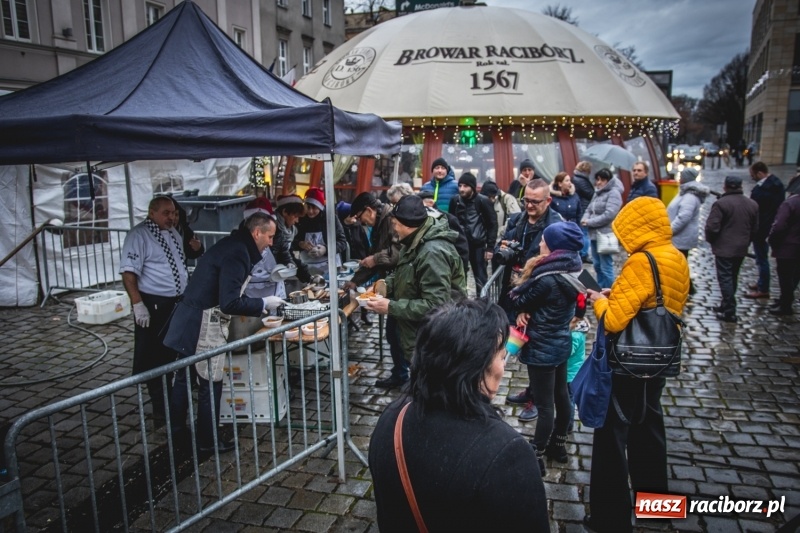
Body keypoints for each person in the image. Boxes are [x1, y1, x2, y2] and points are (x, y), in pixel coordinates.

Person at [369, 298, 550, 532]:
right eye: (501, 356)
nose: (503, 367)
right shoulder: (506, 454)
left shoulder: (392, 418)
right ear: (476, 367)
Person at [584, 197, 689, 533]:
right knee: (649, 433)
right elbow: (656, 301)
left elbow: (615, 321)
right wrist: (618, 291)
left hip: (629, 364)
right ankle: (657, 509)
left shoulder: (642, 261)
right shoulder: (673, 256)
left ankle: (609, 520)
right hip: (659, 360)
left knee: (612, 438)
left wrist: (600, 301)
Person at [164, 213, 285, 452]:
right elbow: (229, 302)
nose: (271, 243)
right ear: (257, 233)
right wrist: (263, 304)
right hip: (203, 323)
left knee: (183, 379)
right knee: (210, 382)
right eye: (269, 237)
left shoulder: (233, 245)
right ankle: (208, 442)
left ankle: (177, 433)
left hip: (189, 316)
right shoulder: (238, 253)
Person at [365, 195, 466, 387]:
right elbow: (404, 272)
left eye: (395, 223)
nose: (393, 228)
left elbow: (436, 305)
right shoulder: (414, 240)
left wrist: (391, 307)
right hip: (418, 332)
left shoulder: (432, 252)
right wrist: (383, 285)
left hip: (434, 336)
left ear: (407, 225)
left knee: (432, 386)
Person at [507, 222, 584, 472]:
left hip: (542, 348)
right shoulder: (572, 271)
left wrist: (522, 309)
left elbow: (519, 298)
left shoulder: (546, 279)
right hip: (561, 343)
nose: (540, 243)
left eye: (544, 241)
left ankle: (537, 453)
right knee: (562, 397)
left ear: (553, 248)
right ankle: (558, 446)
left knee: (544, 405)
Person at [119, 196, 189, 421]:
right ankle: (161, 407)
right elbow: (129, 273)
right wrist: (138, 304)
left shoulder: (173, 233)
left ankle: (173, 399)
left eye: (173, 213)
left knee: (172, 352)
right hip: (154, 303)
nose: (171, 217)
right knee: (154, 355)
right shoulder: (138, 235)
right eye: (166, 213)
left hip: (176, 302)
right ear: (152, 212)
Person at [495, 178, 563, 317]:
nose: (529, 205)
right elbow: (498, 249)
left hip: (539, 294)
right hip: (511, 288)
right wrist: (503, 250)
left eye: (535, 202)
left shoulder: (557, 226)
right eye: (526, 200)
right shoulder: (516, 220)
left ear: (548, 201)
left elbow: (567, 261)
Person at [704, 176, 759, 323]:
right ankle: (725, 305)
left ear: (725, 186)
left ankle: (729, 310)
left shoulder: (721, 204)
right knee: (733, 276)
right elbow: (755, 229)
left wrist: (712, 241)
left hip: (724, 248)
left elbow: (711, 227)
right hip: (741, 247)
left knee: (725, 278)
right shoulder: (752, 204)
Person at [448, 172, 497, 296]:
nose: (462, 189)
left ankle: (483, 304)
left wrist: (490, 247)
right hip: (460, 245)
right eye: (460, 186)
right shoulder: (455, 200)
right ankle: (460, 305)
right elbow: (451, 221)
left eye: (465, 186)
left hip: (478, 245)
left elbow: (492, 224)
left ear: (473, 187)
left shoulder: (483, 201)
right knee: (458, 276)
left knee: (480, 277)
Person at [666, 167, 710, 295]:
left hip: (681, 237)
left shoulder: (689, 196)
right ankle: (686, 287)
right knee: (680, 263)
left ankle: (685, 288)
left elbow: (683, 217)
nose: (679, 178)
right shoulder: (685, 193)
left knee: (679, 264)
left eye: (681, 176)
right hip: (679, 236)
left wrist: (669, 231)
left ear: (686, 178)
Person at [745, 162, 786, 299]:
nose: (753, 178)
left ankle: (763, 288)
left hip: (762, 228)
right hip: (767, 226)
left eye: (753, 176)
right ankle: (761, 282)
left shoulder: (765, 189)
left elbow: (757, 208)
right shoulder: (776, 184)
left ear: (760, 173)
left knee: (761, 259)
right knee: (761, 258)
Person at [581, 168, 624, 289]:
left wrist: (590, 221)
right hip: (594, 234)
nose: (599, 182)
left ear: (608, 181)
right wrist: (585, 219)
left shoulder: (614, 193)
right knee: (597, 265)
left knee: (606, 266)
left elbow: (609, 214)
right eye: (597, 179)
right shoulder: (597, 192)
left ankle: (609, 291)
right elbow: (589, 209)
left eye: (602, 180)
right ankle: (600, 289)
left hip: (606, 235)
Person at [293, 187, 348, 275]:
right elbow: (292, 242)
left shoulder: (331, 218)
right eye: (308, 207)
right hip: (308, 267)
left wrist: (326, 249)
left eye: (314, 208)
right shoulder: (300, 220)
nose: (310, 211)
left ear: (320, 207)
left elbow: (342, 242)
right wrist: (300, 244)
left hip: (330, 266)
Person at [418, 190, 470, 274]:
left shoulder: (449, 219)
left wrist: (461, 269)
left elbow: (462, 247)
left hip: (448, 268)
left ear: (430, 203)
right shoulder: (420, 219)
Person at [767, 192, 800, 315]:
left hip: (788, 247)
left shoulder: (790, 203)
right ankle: (785, 300)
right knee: (794, 276)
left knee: (785, 277)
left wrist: (773, 241)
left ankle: (785, 305)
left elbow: (779, 226)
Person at [565, 314, 589, 435]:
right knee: (570, 399)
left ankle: (567, 425)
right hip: (575, 373)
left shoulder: (574, 335)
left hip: (569, 375)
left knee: (568, 401)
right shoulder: (580, 333)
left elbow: (568, 353)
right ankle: (566, 422)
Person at [478, 180, 520, 247]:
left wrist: (500, 232)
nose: (492, 200)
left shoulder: (507, 199)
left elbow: (516, 218)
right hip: (488, 243)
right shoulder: (481, 202)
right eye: (489, 197)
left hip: (504, 242)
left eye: (493, 196)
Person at [572, 161, 595, 263]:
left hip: (582, 207)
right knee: (584, 233)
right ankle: (584, 254)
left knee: (582, 232)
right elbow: (590, 194)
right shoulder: (581, 180)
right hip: (584, 208)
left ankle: (582, 253)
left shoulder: (578, 179)